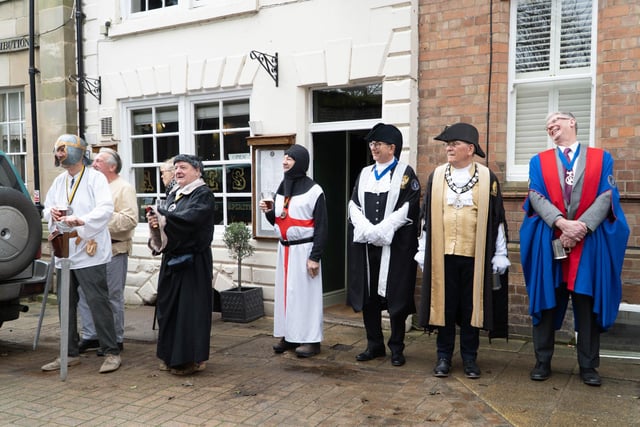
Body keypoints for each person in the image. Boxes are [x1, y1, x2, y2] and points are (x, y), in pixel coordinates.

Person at [520, 112, 629, 386]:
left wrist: (580, 228)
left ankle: (589, 366)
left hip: (588, 244)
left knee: (586, 303)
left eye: (556, 119)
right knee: (546, 303)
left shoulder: (601, 158)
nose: (550, 125)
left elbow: (607, 197)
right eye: (547, 124)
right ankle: (542, 361)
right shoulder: (538, 161)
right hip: (551, 242)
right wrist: (561, 224)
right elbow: (535, 195)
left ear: (572, 123)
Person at [416, 123, 510, 379]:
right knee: (444, 307)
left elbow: (496, 218)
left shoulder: (487, 177)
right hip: (442, 254)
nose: (449, 148)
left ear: (470, 149)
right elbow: (426, 219)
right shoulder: (436, 176)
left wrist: (500, 253)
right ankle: (443, 356)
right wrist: (422, 249)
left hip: (475, 256)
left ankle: (470, 358)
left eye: (454, 144)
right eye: (447, 144)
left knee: (471, 308)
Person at [41, 134, 121, 374]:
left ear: (77, 152)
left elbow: (105, 209)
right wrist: (52, 213)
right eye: (57, 150)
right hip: (65, 251)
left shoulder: (95, 178)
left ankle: (111, 351)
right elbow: (46, 208)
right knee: (65, 304)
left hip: (88, 250)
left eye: (63, 150)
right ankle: (69, 352)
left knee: (98, 302)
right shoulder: (59, 182)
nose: (59, 154)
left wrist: (81, 220)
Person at [347, 123, 421, 367]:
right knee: (369, 296)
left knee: (396, 296)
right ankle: (374, 344)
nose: (373, 148)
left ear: (392, 147)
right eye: (371, 144)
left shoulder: (406, 174)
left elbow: (408, 208)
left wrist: (383, 229)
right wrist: (369, 230)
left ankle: (397, 347)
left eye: (377, 144)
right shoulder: (365, 173)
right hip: (368, 246)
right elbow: (353, 205)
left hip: (395, 247)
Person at [146, 154, 215, 375]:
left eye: (183, 167)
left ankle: (189, 360)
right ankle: (170, 356)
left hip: (192, 263)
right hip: (172, 260)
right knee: (169, 309)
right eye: (176, 168)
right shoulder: (175, 192)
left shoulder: (202, 194)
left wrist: (163, 216)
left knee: (189, 312)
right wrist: (156, 223)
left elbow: (190, 219)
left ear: (197, 170)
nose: (178, 172)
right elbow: (171, 220)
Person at [259, 144, 328, 358]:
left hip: (304, 251)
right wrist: (269, 212)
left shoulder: (315, 190)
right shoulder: (282, 187)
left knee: (306, 297)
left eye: (290, 158)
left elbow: (322, 226)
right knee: (286, 296)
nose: (285, 161)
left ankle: (311, 340)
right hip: (285, 250)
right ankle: (290, 335)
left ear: (300, 162)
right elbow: (280, 220)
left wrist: (314, 257)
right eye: (285, 157)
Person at [77, 148, 138, 355]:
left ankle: (115, 338)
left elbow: (130, 220)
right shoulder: (90, 186)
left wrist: (97, 220)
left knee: (112, 295)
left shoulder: (124, 188)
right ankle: (91, 335)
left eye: (99, 161)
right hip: (88, 249)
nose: (93, 164)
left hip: (113, 249)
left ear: (112, 166)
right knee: (85, 294)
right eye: (94, 161)